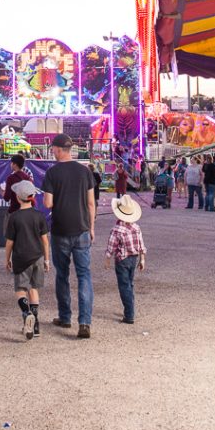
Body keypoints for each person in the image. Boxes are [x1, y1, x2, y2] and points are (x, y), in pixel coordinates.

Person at [43, 133, 96, 338]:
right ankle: (84, 322)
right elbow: (91, 203)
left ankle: (65, 317)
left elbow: (48, 203)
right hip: (82, 228)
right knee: (84, 275)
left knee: (62, 274)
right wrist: (91, 227)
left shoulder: (52, 172)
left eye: (53, 149)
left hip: (60, 229)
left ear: (57, 149)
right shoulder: (85, 172)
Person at [4, 179, 50, 340]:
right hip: (38, 257)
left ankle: (26, 313)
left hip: (21, 258)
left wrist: (7, 258)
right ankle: (35, 324)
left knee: (20, 290)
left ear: (18, 198)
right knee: (33, 288)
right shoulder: (39, 216)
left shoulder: (14, 217)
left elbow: (10, 242)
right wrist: (46, 260)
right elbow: (45, 240)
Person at [104, 195, 147, 324]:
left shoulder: (117, 229)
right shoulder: (136, 227)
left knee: (124, 286)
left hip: (122, 260)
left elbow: (111, 247)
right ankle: (130, 308)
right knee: (130, 283)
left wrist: (107, 259)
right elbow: (141, 245)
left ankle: (129, 314)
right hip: (134, 259)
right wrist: (142, 259)